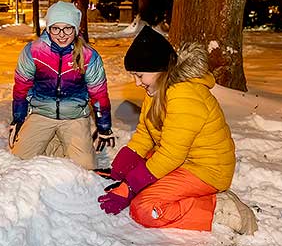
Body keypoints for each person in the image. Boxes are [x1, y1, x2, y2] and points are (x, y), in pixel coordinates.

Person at [97, 26, 257, 234]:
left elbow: (171, 155)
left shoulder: (184, 96)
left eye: (140, 75)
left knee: (144, 208)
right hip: (185, 161)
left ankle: (221, 209)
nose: (137, 83)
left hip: (207, 169)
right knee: (140, 180)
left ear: (160, 70)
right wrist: (123, 166)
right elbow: (146, 133)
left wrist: (129, 186)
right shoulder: (157, 91)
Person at [9, 1, 114, 170]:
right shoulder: (33, 51)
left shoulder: (88, 56)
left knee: (85, 168)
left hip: (75, 116)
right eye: (55, 28)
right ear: (48, 28)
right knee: (19, 162)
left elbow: (99, 93)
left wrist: (104, 126)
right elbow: (22, 87)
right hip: (41, 113)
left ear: (76, 29)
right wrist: (18, 119)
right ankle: (53, 141)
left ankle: (57, 142)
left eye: (68, 28)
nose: (62, 34)